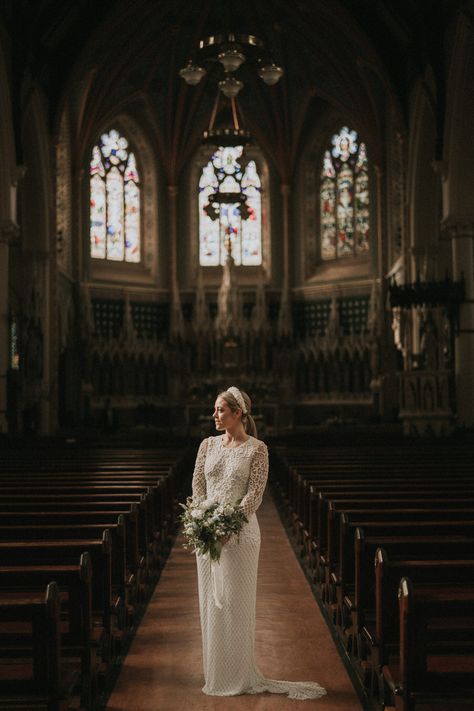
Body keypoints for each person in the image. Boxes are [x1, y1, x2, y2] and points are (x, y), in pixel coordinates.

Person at [191, 386, 327, 700]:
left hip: (241, 536)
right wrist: (205, 521)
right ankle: (216, 673)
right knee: (211, 603)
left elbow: (254, 497)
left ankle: (238, 675)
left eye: (220, 410)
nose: (215, 415)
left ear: (238, 413)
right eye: (215, 410)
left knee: (236, 605)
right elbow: (198, 486)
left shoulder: (257, 449)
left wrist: (228, 526)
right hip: (208, 534)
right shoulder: (206, 446)